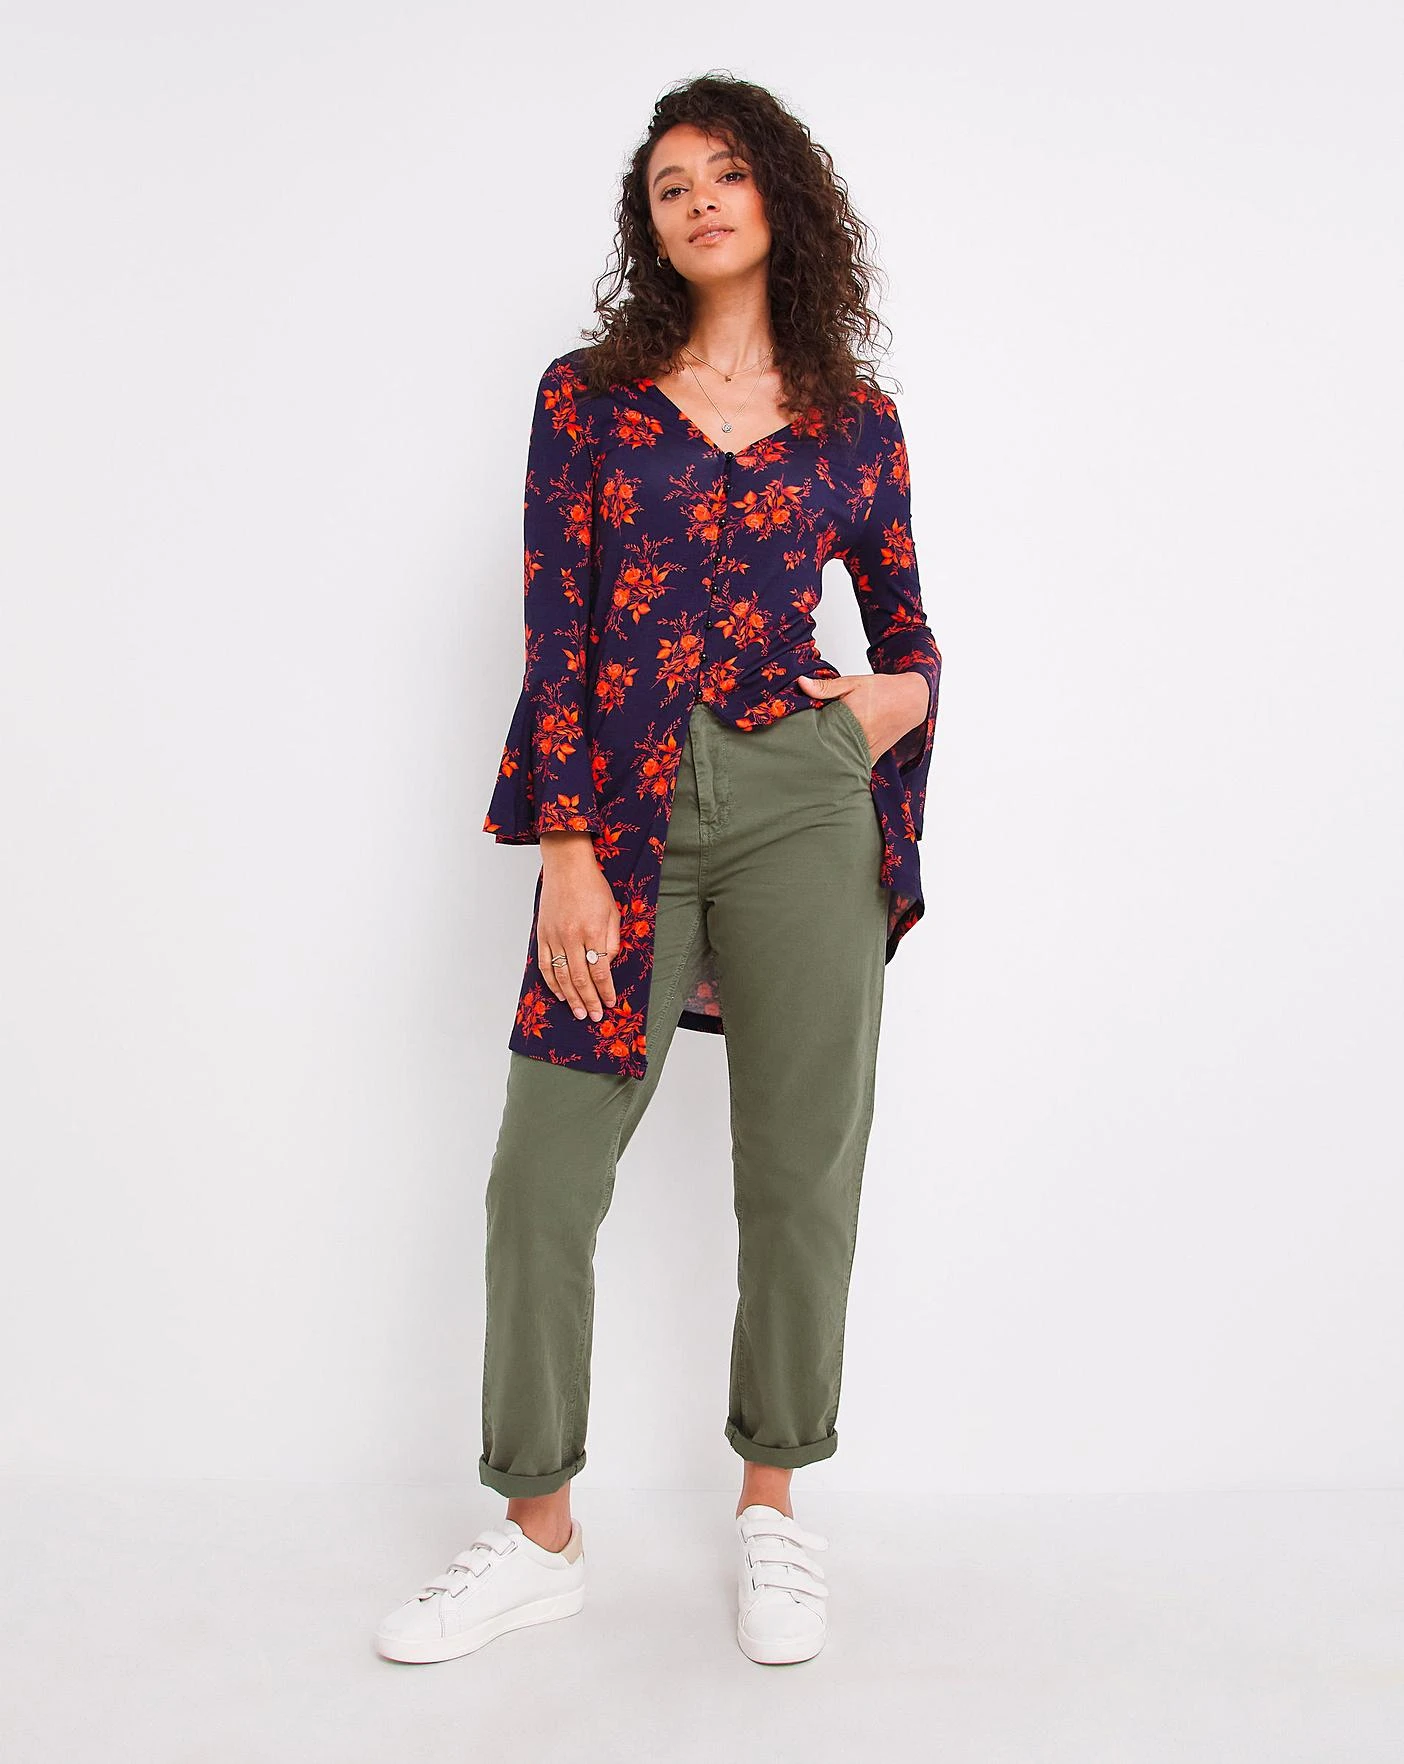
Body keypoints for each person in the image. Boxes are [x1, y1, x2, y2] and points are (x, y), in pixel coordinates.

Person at [376, 72, 942, 1669]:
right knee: (543, 1172)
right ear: (651, 221)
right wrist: (565, 847)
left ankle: (773, 1508)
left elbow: (909, 631)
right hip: (617, 811)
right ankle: (536, 1534)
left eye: (726, 173)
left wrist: (881, 706)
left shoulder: (854, 418)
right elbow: (556, 626)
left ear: (780, 200)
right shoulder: (589, 398)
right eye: (670, 183)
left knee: (801, 1168)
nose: (698, 199)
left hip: (802, 805)